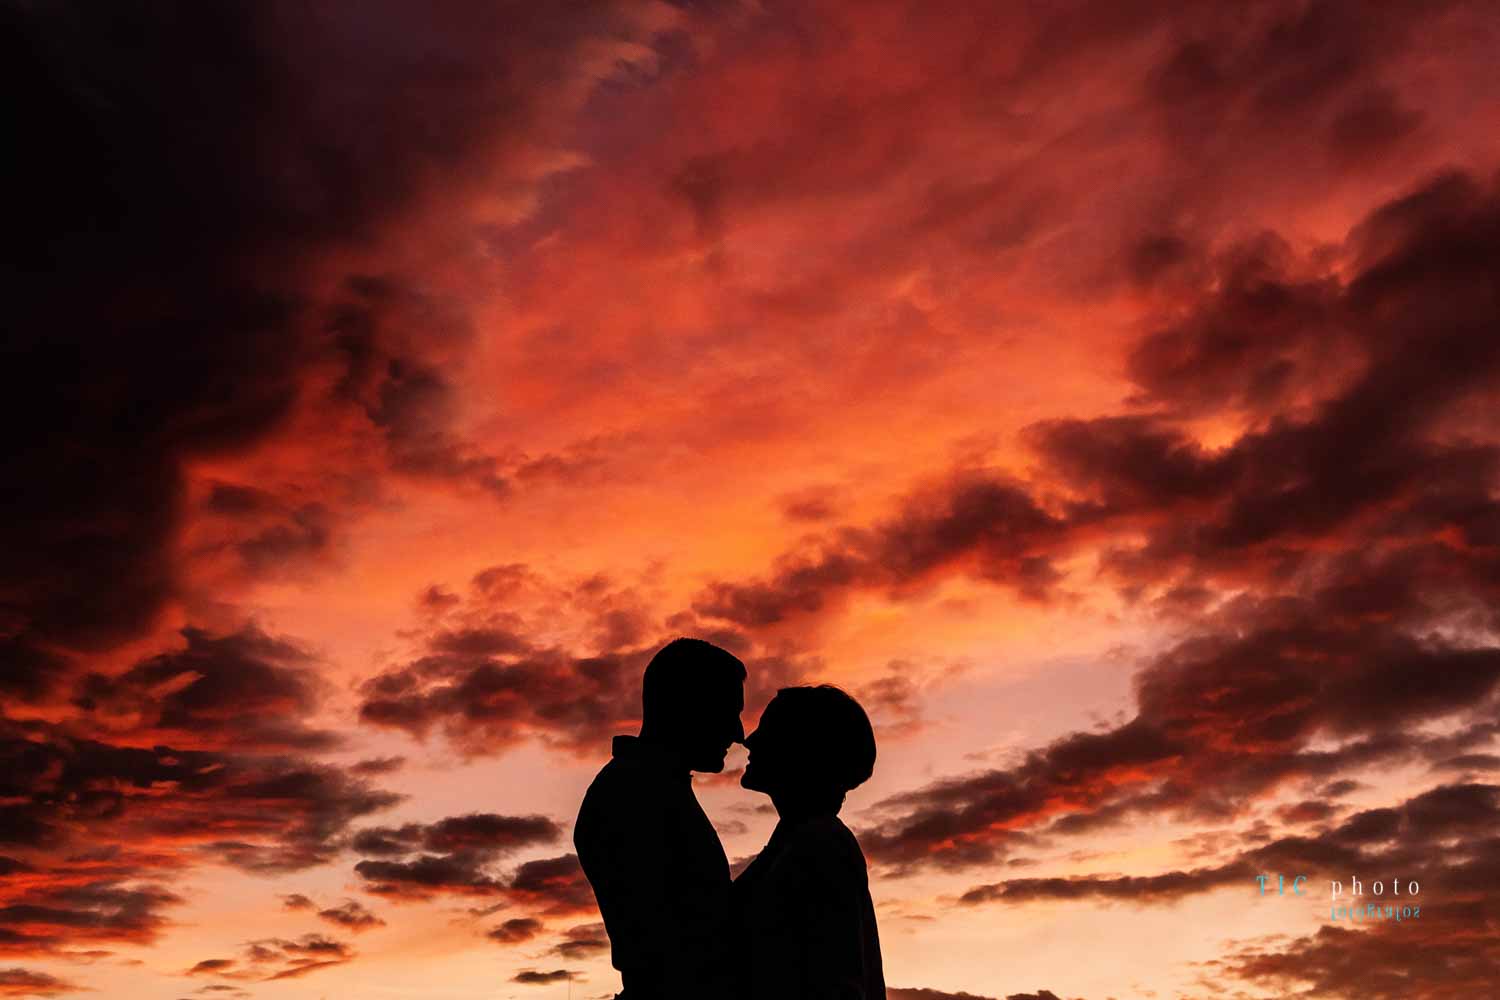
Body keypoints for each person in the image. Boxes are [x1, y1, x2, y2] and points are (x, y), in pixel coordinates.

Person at [574, 637, 747, 1000]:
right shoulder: (634, 793)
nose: (738, 733)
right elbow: (671, 945)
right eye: (728, 712)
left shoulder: (654, 786)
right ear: (686, 706)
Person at [732, 685, 884, 1000]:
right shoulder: (799, 840)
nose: (750, 739)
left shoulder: (819, 845)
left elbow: (837, 983)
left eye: (769, 730)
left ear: (802, 749)